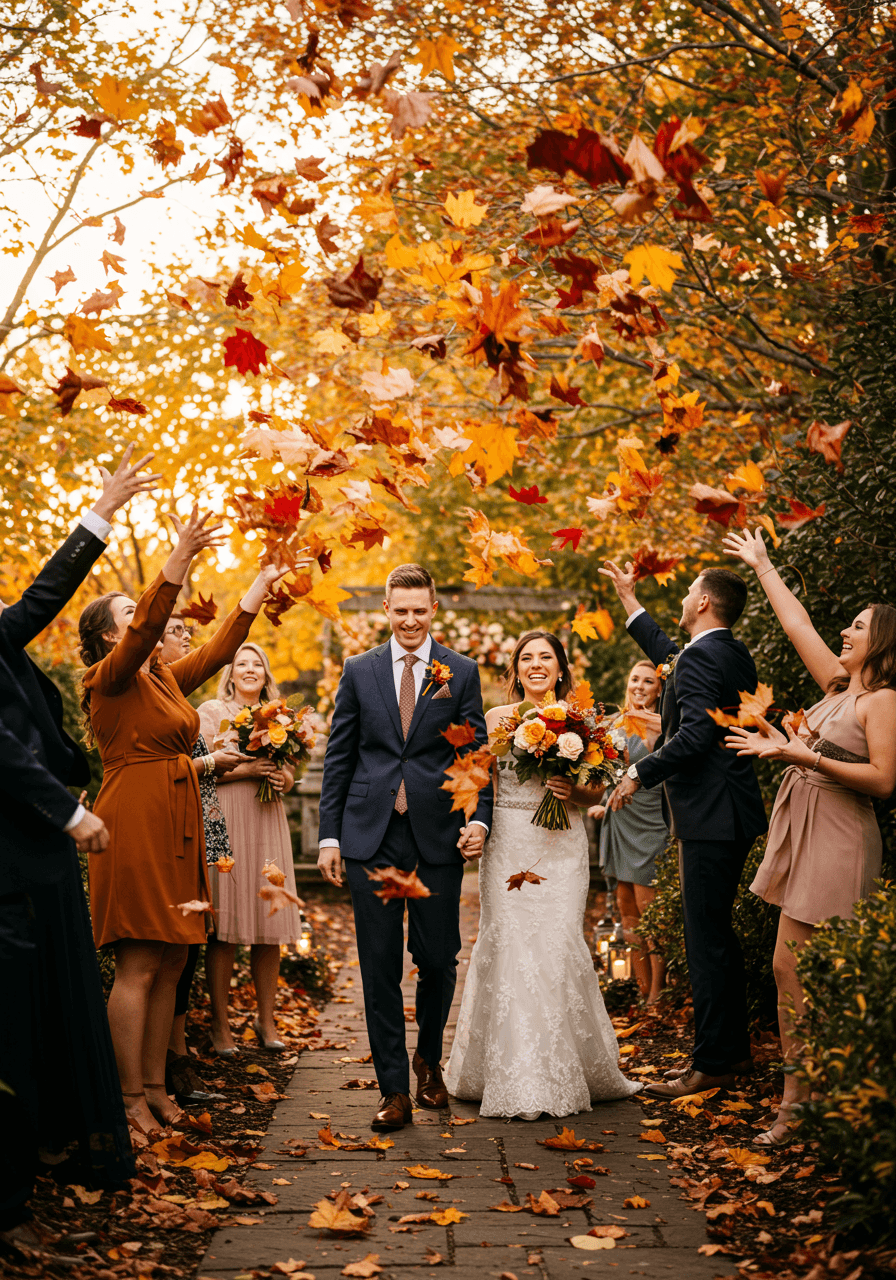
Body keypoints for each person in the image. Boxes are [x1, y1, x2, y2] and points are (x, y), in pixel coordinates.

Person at [79, 511, 284, 1135]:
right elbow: (146, 628)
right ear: (112, 637)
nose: (151, 625)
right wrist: (178, 558)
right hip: (136, 819)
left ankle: (155, 1087)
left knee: (171, 961)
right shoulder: (108, 679)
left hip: (179, 817)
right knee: (139, 962)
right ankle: (127, 1100)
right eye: (132, 617)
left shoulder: (161, 678)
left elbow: (221, 647)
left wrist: (262, 582)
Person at [0, 446, 160, 1245]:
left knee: (58, 999)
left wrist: (101, 512)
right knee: (19, 1015)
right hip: (14, 854)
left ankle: (57, 1145)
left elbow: (38, 601)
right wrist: (68, 814)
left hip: (40, 854)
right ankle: (15, 1185)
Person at [723, 528, 896, 1145]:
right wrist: (764, 566)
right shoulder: (837, 689)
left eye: (856, 625)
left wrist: (806, 756)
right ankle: (802, 1100)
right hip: (808, 830)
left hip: (843, 837)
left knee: (814, 973)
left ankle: (823, 1103)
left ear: (882, 642)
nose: (844, 632)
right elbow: (799, 627)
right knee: (788, 969)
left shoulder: (881, 701)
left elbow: (883, 780)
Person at [317, 563, 493, 1130]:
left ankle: (428, 1059)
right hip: (371, 834)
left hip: (437, 835)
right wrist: (329, 835)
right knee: (378, 966)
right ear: (387, 611)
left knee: (439, 958)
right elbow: (340, 756)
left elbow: (474, 757)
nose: (411, 619)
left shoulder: (459, 673)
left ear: (434, 609)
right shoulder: (359, 670)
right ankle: (394, 1091)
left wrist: (479, 821)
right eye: (401, 610)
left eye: (420, 610)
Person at [444, 631, 642, 1120]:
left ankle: (560, 1068)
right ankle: (507, 1072)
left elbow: (599, 794)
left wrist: (570, 789)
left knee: (556, 945)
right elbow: (475, 782)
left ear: (560, 668)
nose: (536, 665)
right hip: (509, 842)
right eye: (526, 658)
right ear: (515, 670)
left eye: (545, 658)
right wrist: (473, 827)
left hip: (561, 846)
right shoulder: (494, 721)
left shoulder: (585, 724)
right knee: (508, 942)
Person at [599, 558, 768, 1100]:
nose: (685, 595)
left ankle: (713, 1062)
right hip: (732, 811)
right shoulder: (727, 651)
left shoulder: (703, 659)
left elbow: (694, 735)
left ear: (702, 603)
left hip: (711, 816)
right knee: (717, 935)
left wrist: (636, 773)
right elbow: (672, 659)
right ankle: (734, 1052)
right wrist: (630, 600)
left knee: (705, 940)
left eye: (691, 590)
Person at [198, 643, 302, 1056]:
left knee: (269, 924)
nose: (249, 669)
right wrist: (248, 769)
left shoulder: (280, 716)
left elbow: (290, 772)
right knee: (224, 928)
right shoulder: (210, 712)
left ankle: (266, 1020)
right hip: (225, 821)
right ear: (230, 672)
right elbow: (200, 773)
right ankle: (220, 1027)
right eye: (241, 663)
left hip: (267, 818)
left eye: (256, 663)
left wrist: (283, 779)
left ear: (265, 672)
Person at [158, 614, 239, 1105]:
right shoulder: (152, 702)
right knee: (173, 950)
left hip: (204, 828)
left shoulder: (177, 699)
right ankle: (171, 1061)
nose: (185, 638)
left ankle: (176, 1056)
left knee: (188, 948)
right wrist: (212, 762)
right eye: (175, 632)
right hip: (170, 830)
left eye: (188, 632)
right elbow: (158, 769)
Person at [593, 660, 669, 1004]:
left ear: (659, 688)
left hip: (651, 823)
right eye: (634, 679)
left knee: (650, 915)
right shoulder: (614, 723)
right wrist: (603, 800)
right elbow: (612, 773)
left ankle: (659, 992)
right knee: (627, 912)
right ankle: (641, 990)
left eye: (648, 681)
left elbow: (658, 770)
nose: (639, 686)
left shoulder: (663, 725)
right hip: (620, 820)